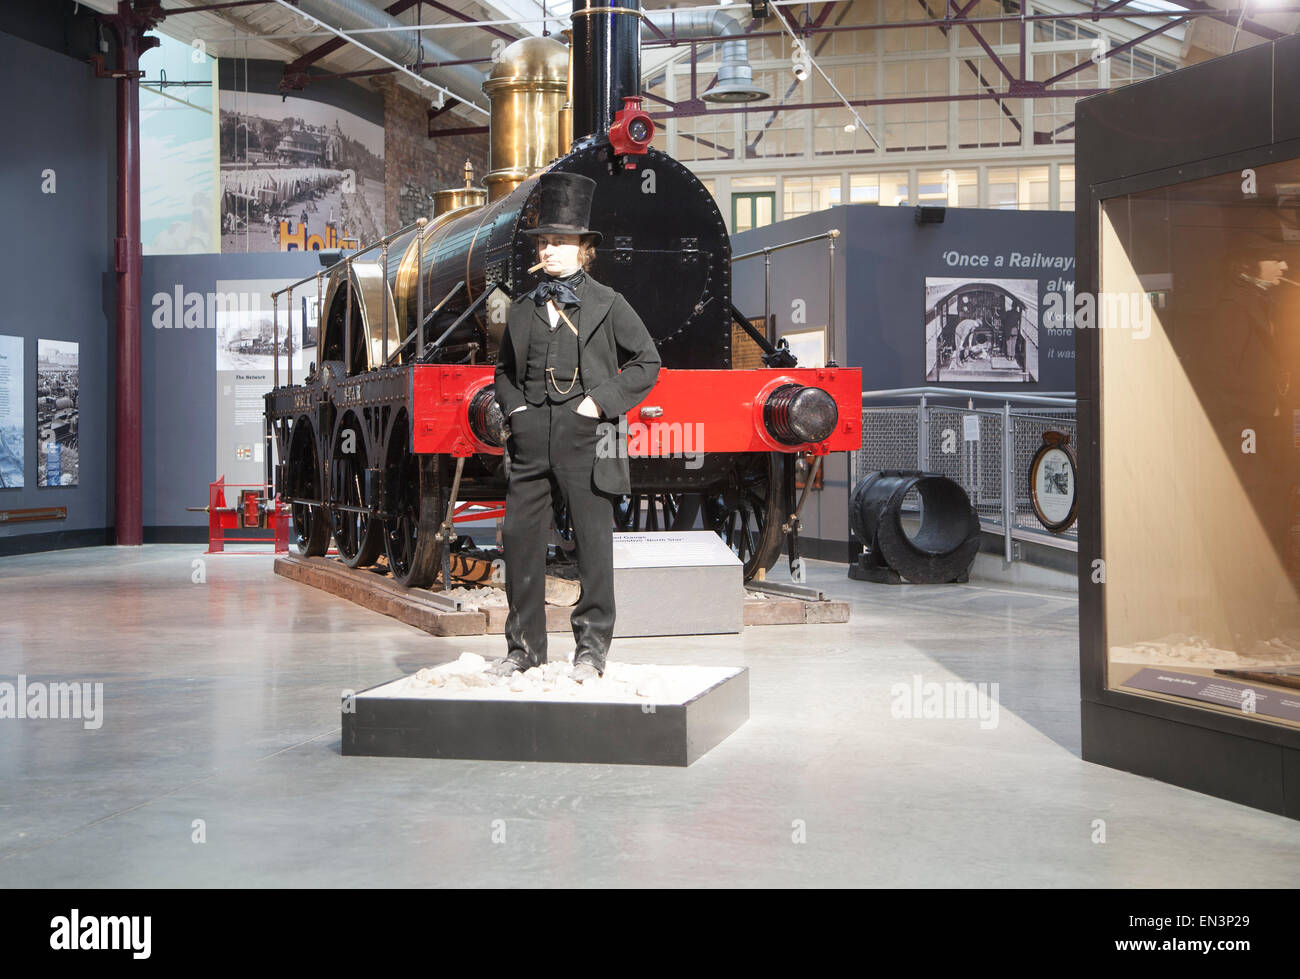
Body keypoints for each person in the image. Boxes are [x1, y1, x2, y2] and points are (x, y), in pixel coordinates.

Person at [488, 172, 661, 682]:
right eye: (545, 241)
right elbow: (502, 372)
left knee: (592, 544)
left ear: (584, 250)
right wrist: (517, 411)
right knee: (519, 538)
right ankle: (523, 649)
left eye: (561, 242)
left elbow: (646, 362)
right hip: (530, 435)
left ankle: (591, 650)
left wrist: (598, 404)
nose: (551, 250)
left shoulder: (608, 304)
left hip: (588, 435)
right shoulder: (521, 309)